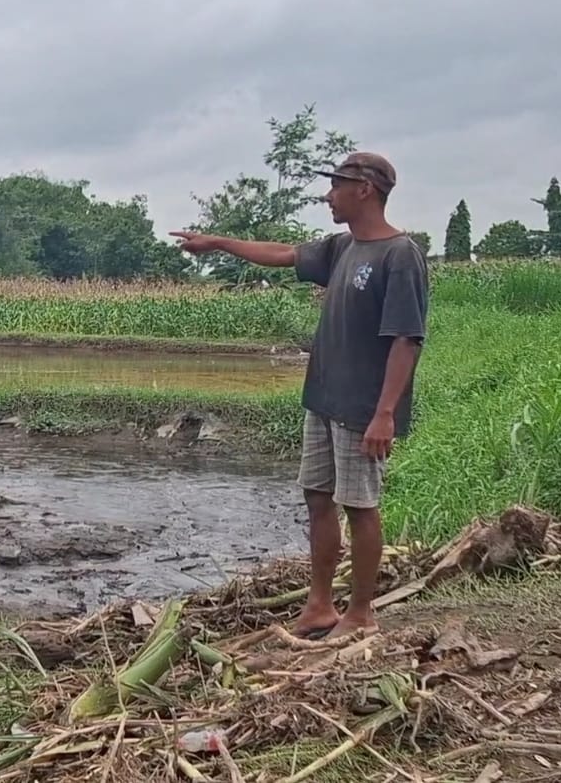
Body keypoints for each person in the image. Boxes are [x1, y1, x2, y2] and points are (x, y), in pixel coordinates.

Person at [171, 151, 428, 640]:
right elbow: (284, 253)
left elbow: (406, 339)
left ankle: (361, 614)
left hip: (362, 409)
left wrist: (385, 414)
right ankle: (319, 604)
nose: (327, 195)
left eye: (335, 185)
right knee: (317, 496)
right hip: (324, 399)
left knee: (360, 505)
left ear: (364, 189)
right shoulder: (341, 248)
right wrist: (218, 243)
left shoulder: (399, 255)